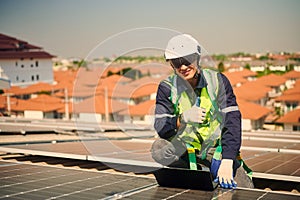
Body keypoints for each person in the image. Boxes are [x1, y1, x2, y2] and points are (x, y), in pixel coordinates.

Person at [151, 34, 254, 189]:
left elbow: (232, 121)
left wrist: (227, 159)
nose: (183, 67)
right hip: (184, 149)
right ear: (171, 64)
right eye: (177, 62)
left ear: (197, 58)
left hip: (214, 150)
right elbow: (161, 125)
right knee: (159, 148)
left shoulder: (218, 81)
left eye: (187, 60)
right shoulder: (167, 87)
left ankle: (212, 167)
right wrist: (182, 119)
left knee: (245, 190)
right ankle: (189, 170)